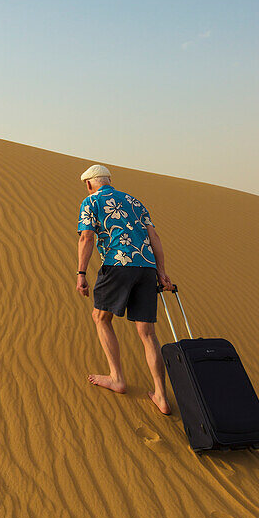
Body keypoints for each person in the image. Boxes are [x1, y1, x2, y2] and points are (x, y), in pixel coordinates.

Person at [76, 164, 174, 415]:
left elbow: (86, 238)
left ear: (89, 184)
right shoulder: (134, 201)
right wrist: (161, 272)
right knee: (147, 333)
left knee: (100, 317)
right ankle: (161, 396)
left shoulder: (91, 201)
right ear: (109, 180)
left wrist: (81, 273)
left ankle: (117, 377)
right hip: (146, 266)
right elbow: (155, 238)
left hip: (118, 264)